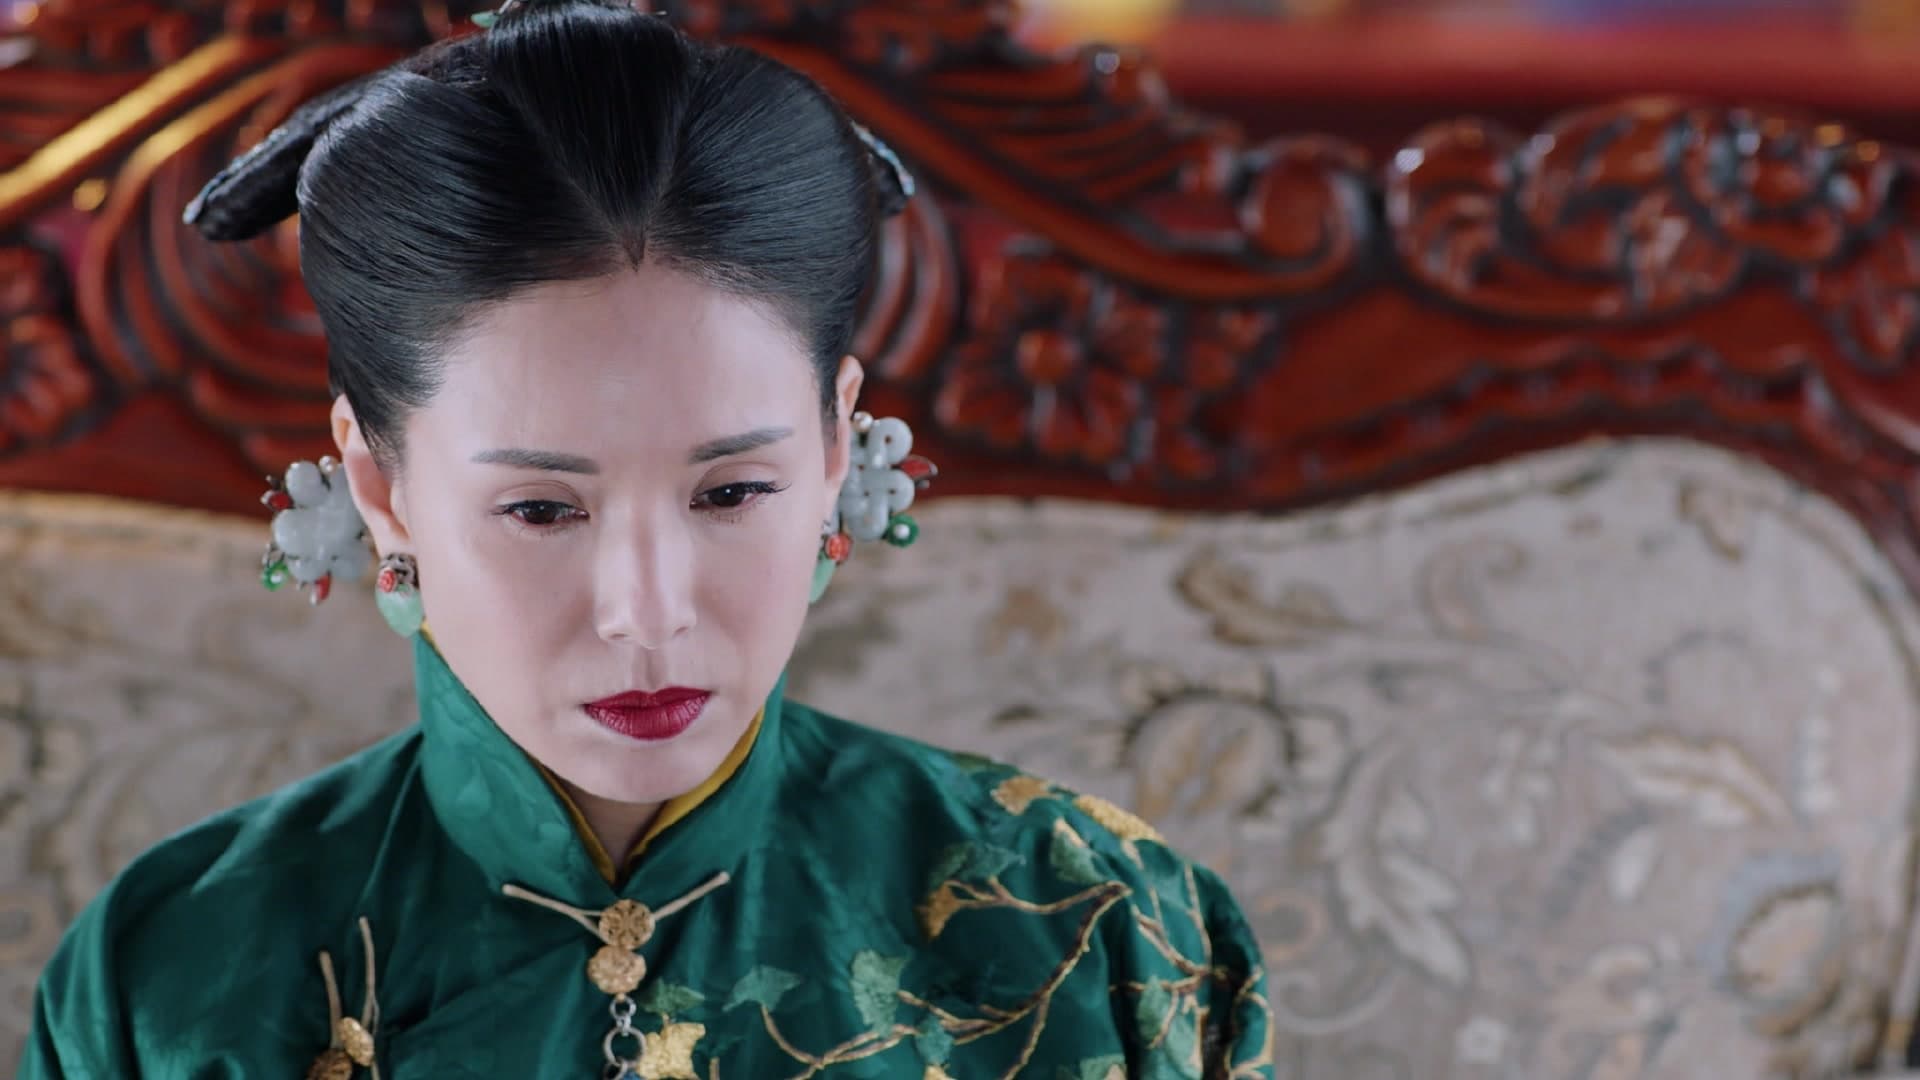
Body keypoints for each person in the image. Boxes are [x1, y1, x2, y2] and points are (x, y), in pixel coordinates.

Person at [18, 3, 1274, 1076]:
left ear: (833, 449)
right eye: (542, 509)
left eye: (730, 493)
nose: (648, 610)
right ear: (380, 485)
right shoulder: (173, 977)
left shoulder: (1099, 929)